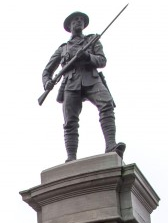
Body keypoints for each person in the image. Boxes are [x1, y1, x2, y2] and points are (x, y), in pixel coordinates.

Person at [42, 11, 125, 163]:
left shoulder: (93, 40)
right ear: (69, 25)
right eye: (75, 20)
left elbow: (102, 61)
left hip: (91, 78)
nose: (78, 22)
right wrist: (47, 82)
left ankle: (111, 146)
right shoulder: (63, 49)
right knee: (70, 122)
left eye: (81, 20)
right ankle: (71, 157)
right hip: (70, 83)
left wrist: (87, 57)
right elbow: (47, 71)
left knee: (106, 104)